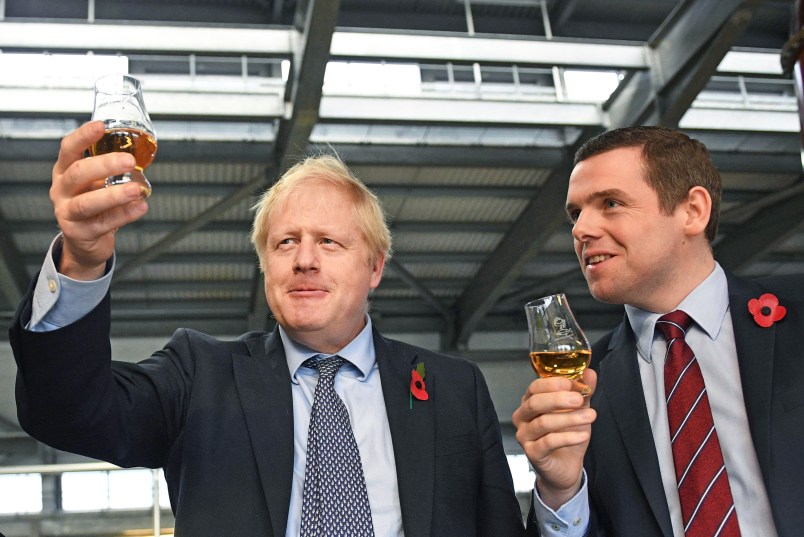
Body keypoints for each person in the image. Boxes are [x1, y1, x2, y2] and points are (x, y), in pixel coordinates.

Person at [10, 120, 528, 536]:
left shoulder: (453, 388)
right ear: (265, 265)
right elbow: (68, 413)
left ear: (374, 267)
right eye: (284, 243)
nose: (304, 260)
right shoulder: (199, 375)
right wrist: (81, 258)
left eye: (329, 242)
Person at [513, 126, 803, 537]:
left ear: (692, 211)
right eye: (576, 214)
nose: (580, 230)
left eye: (610, 203)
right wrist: (561, 489)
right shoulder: (583, 389)